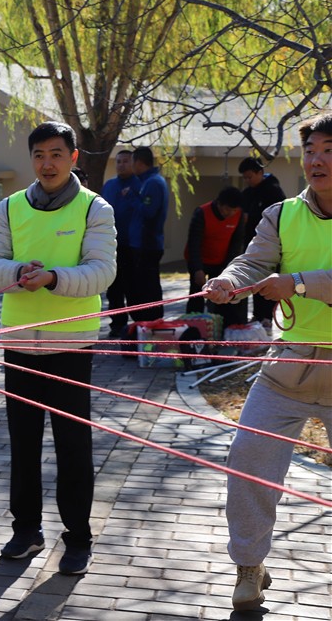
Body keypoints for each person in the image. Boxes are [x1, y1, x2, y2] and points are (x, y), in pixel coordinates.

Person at [204, 112, 331, 612]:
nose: (317, 160)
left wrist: (297, 284)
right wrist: (229, 282)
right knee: (248, 462)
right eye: (311, 151)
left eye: (329, 150)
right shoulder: (281, 214)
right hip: (285, 372)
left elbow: (294, 281)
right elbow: (254, 262)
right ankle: (249, 567)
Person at [0, 121, 116, 575]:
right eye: (39, 155)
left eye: (56, 154)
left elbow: (102, 271)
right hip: (19, 343)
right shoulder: (11, 206)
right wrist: (17, 272)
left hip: (71, 343)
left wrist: (54, 278)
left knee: (73, 445)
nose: (47, 163)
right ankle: (26, 530)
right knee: (23, 443)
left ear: (73, 157)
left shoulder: (94, 207)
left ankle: (78, 537)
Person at [184, 186, 246, 328]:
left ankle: (220, 328)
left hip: (221, 261)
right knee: (197, 294)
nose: (230, 214)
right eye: (227, 210)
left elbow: (236, 243)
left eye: (234, 210)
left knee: (221, 297)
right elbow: (194, 243)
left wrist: (227, 268)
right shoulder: (202, 213)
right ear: (219, 204)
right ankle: (192, 328)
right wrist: (197, 269)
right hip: (200, 260)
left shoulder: (239, 215)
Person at [239, 157, 286, 328]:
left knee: (269, 282)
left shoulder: (274, 191)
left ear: (260, 172)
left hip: (271, 244)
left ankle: (267, 316)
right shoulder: (247, 193)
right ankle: (257, 315)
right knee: (255, 281)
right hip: (251, 244)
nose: (247, 180)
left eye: (250, 177)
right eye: (245, 178)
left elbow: (281, 219)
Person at [101, 150, 140, 338]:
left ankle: (138, 325)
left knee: (133, 287)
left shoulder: (140, 185)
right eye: (118, 161)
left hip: (132, 246)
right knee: (114, 289)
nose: (121, 165)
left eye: (125, 161)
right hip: (112, 246)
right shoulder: (109, 186)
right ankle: (117, 324)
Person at [128, 146, 169, 321]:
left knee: (148, 287)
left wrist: (132, 197)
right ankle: (146, 322)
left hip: (147, 244)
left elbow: (148, 212)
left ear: (139, 162)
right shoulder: (148, 181)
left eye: (132, 162)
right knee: (143, 286)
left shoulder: (153, 183)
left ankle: (151, 321)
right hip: (144, 243)